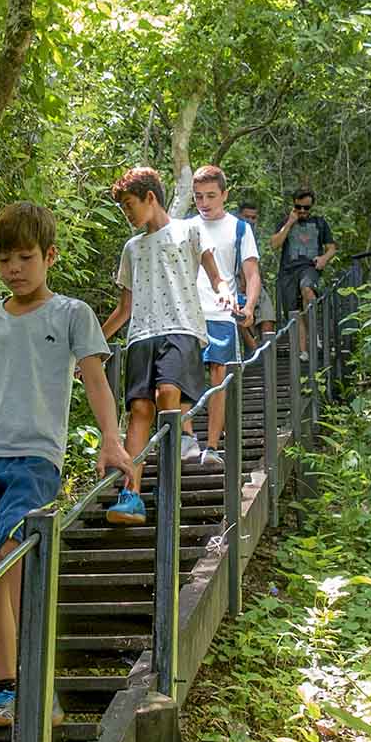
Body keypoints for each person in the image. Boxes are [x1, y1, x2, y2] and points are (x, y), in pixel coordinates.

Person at [0, 202, 133, 728]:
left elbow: (96, 381)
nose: (14, 269)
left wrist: (112, 440)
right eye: (4, 260)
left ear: (49, 256)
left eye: (25, 257)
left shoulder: (72, 314)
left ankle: (40, 687)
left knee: (17, 560)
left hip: (36, 457)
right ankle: (8, 688)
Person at [100, 166, 233, 523]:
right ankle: (131, 494)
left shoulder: (189, 230)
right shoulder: (132, 248)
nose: (127, 214)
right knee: (140, 410)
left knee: (168, 393)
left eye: (129, 205)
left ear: (150, 197)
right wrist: (93, 345)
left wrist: (224, 292)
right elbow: (124, 309)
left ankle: (171, 474)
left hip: (181, 329)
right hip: (141, 335)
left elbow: (215, 275)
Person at [191, 166, 260, 468]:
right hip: (188, 313)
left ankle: (212, 446)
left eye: (210, 196)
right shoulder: (186, 227)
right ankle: (186, 439)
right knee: (183, 378)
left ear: (224, 195)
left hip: (222, 313)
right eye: (198, 197)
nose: (204, 203)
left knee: (218, 378)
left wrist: (250, 307)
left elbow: (252, 273)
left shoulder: (239, 228)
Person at [270, 188, 336, 361]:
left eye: (306, 208)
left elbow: (331, 248)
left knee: (307, 289)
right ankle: (303, 351)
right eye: (298, 207)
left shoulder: (320, 222)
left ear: (311, 207)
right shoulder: (285, 221)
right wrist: (290, 223)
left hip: (309, 267)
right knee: (294, 311)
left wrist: (324, 258)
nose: (302, 211)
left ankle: (314, 334)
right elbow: (274, 244)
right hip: (287, 271)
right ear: (293, 205)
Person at [235, 197, 276, 349]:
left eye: (253, 218)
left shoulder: (256, 235)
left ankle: (267, 352)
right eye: (247, 217)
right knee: (241, 315)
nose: (250, 221)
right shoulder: (234, 232)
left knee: (267, 313)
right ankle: (255, 353)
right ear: (239, 216)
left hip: (255, 281)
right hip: (235, 282)